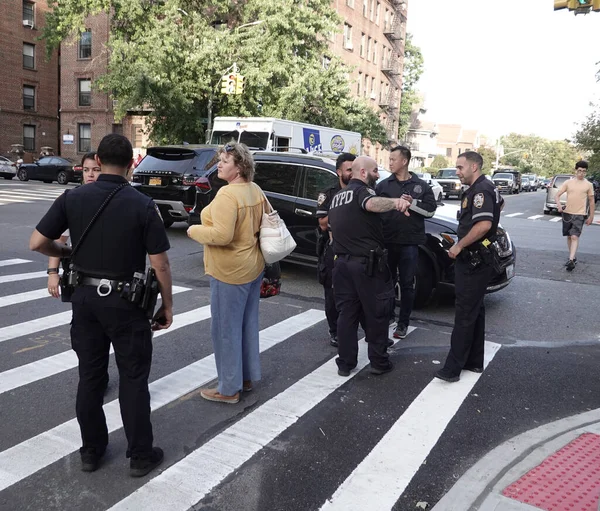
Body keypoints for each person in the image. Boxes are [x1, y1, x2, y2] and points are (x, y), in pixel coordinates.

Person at [29, 134, 173, 476]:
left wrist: (66, 254)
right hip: (127, 304)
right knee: (133, 378)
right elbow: (161, 263)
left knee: (90, 377)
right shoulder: (142, 203)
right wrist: (167, 305)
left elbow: (37, 242)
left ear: (99, 160)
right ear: (129, 165)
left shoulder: (73, 197)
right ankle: (140, 455)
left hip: (85, 301)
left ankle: (91, 451)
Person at [187, 142, 266, 404]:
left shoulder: (228, 195)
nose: (219, 164)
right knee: (246, 325)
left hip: (230, 270)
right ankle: (244, 378)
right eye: (220, 159)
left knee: (225, 330)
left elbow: (222, 235)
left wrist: (193, 231)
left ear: (240, 167)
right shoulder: (254, 190)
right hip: (253, 266)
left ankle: (229, 389)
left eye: (225, 161)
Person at [328, 156, 411, 377]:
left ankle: (345, 363)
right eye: (375, 171)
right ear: (363, 173)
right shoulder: (362, 192)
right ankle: (379, 362)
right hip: (367, 265)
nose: (377, 174)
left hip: (342, 265)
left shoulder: (337, 197)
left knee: (347, 315)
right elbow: (371, 204)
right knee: (376, 313)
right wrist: (395, 203)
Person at [435, 151, 503, 383]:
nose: (457, 171)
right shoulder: (485, 187)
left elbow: (483, 225)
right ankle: (473, 361)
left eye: (460, 167)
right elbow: (498, 208)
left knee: (464, 312)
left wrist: (459, 246)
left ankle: (452, 369)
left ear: (474, 167)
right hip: (478, 257)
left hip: (474, 259)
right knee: (475, 310)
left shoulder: (481, 190)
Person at [376, 146, 437, 339]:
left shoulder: (421, 186)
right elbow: (374, 208)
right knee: (387, 282)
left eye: (393, 159)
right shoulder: (383, 185)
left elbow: (430, 211)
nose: (390, 162)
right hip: (387, 240)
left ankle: (403, 323)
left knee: (407, 284)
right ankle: (388, 316)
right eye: (390, 159)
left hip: (410, 243)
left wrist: (413, 203)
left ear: (404, 161)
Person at [47, 152, 101, 298]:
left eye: (96, 170)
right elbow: (59, 240)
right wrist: (53, 272)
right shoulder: (72, 199)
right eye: (86, 170)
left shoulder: (114, 198)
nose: (90, 174)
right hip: (80, 276)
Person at [315, 152, 356, 347]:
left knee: (355, 294)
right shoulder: (329, 194)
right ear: (339, 172)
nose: (353, 173)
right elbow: (323, 223)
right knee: (332, 294)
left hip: (355, 251)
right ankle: (335, 331)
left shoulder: (362, 191)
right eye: (349, 169)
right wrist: (346, 214)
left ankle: (351, 329)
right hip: (332, 250)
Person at [555, 161, 595, 271]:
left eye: (584, 171)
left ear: (586, 172)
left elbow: (591, 202)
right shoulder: (568, 183)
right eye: (579, 171)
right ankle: (573, 257)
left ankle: (571, 260)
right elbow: (557, 195)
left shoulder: (588, 185)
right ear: (575, 170)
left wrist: (591, 216)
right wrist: (559, 206)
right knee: (569, 236)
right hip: (567, 213)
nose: (581, 173)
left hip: (580, 214)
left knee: (574, 236)